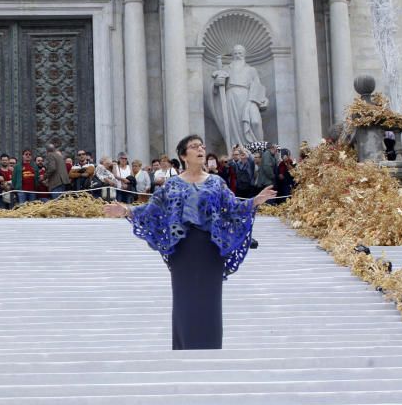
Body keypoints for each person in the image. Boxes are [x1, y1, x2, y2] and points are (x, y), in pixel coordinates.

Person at [103, 135, 276, 350]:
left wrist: (254, 201)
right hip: (183, 250)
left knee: (210, 301)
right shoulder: (172, 185)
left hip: (210, 249)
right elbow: (152, 209)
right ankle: (184, 346)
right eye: (194, 147)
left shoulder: (216, 183)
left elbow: (233, 209)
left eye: (202, 146)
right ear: (184, 155)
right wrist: (126, 210)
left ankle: (211, 346)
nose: (201, 149)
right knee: (184, 299)